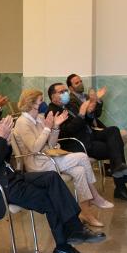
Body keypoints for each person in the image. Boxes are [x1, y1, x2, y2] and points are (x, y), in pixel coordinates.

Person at [0, 97, 104, 253]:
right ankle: (63, 248)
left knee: (52, 177)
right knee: (48, 197)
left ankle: (75, 228)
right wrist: (1, 139)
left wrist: (5, 143)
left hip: (8, 178)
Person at [13, 90, 114, 228]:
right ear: (31, 104)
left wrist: (55, 126)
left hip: (49, 157)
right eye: (40, 100)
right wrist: (48, 128)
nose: (43, 103)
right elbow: (35, 148)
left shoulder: (40, 118)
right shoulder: (22, 122)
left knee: (79, 171)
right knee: (83, 157)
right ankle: (94, 196)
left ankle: (86, 213)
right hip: (37, 164)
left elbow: (51, 144)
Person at [47, 83, 127, 202]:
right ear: (52, 96)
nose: (65, 93)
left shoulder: (69, 105)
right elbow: (65, 132)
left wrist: (89, 112)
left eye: (65, 90)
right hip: (78, 143)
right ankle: (121, 187)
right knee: (115, 148)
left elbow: (87, 121)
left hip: (89, 134)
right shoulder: (52, 112)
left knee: (113, 130)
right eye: (61, 92)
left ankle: (118, 170)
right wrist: (81, 114)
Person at [67, 74, 127, 144]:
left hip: (97, 126)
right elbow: (81, 117)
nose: (80, 84)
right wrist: (93, 100)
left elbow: (97, 114)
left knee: (123, 135)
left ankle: (113, 152)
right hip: (87, 130)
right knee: (118, 137)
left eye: (81, 81)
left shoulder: (86, 96)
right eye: (77, 83)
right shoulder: (70, 100)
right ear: (71, 88)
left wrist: (98, 100)